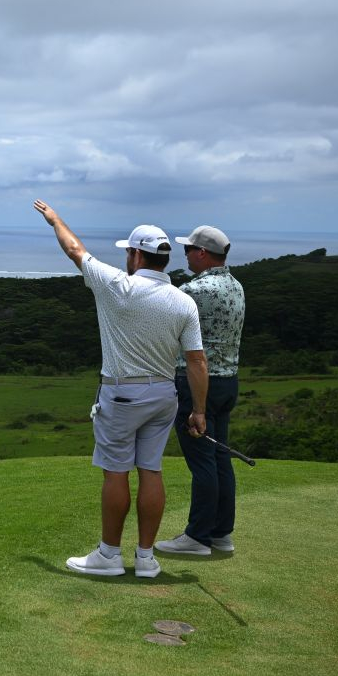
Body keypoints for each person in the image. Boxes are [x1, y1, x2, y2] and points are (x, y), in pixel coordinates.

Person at [33, 200, 208, 579]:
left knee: (116, 474)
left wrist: (55, 219)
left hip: (122, 394)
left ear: (135, 254)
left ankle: (109, 555)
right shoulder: (184, 301)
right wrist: (199, 411)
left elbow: (74, 250)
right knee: (151, 471)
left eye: (128, 252)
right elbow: (196, 361)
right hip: (165, 396)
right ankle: (146, 559)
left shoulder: (118, 286)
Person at [156, 226, 245, 557]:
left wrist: (197, 407)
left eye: (188, 250)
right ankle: (221, 534)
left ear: (203, 253)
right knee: (221, 457)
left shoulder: (194, 290)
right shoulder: (236, 286)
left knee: (202, 461)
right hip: (228, 381)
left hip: (196, 381)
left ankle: (197, 536)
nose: (186, 255)